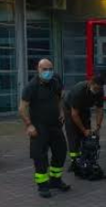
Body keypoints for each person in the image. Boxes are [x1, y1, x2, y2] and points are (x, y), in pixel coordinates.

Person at [19, 58, 71, 198]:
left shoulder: (56, 80)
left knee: (61, 151)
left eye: (50, 69)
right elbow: (22, 108)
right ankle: (42, 185)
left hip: (55, 124)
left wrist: (60, 111)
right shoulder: (31, 86)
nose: (48, 72)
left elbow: (60, 97)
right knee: (40, 156)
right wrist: (29, 125)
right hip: (39, 127)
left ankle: (55, 180)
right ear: (38, 69)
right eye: (44, 69)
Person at [63, 75, 105, 171]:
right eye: (96, 88)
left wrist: (98, 127)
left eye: (99, 89)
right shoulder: (79, 91)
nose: (97, 91)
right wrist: (83, 129)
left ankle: (85, 158)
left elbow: (99, 110)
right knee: (73, 134)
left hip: (84, 108)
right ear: (90, 83)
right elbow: (74, 114)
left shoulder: (100, 91)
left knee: (87, 134)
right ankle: (74, 162)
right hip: (70, 109)